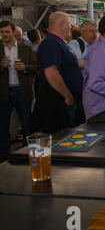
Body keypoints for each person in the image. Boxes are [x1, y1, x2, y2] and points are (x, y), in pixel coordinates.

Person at [33, 12, 84, 133]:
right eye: (69, 25)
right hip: (56, 101)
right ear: (62, 24)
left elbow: (69, 65)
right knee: (60, 136)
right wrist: (67, 95)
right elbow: (51, 73)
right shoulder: (51, 43)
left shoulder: (60, 43)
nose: (70, 28)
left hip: (62, 100)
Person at [0, 21, 37, 159]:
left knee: (27, 123)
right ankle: (3, 155)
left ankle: (26, 153)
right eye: (2, 32)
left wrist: (25, 68)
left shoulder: (25, 49)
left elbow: (36, 67)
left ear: (13, 32)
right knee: (3, 124)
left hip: (21, 91)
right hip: (4, 92)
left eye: (7, 32)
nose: (4, 35)